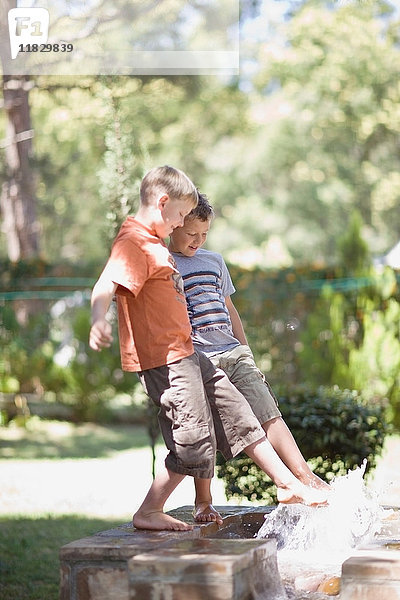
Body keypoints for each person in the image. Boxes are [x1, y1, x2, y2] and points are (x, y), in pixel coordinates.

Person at [89, 166, 328, 532]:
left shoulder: (154, 243)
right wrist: (98, 320)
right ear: (163, 204)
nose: (182, 224)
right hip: (166, 359)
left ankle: (288, 484)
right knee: (196, 444)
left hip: (189, 353)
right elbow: (106, 283)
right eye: (182, 217)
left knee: (240, 410)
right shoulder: (135, 242)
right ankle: (151, 509)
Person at [169, 191, 330, 525]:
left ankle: (305, 477)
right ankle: (203, 502)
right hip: (201, 360)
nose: (198, 241)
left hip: (233, 352)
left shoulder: (214, 262)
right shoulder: (166, 264)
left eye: (205, 234)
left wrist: (246, 351)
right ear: (174, 226)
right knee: (207, 431)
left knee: (268, 412)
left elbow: (230, 309)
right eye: (191, 234)